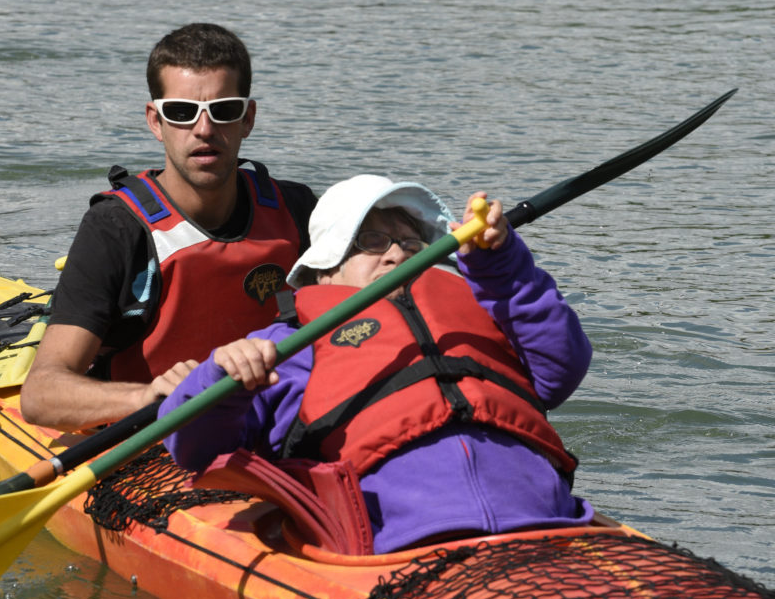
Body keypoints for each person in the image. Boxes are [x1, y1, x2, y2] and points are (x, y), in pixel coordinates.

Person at [158, 174, 596, 554]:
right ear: (322, 273)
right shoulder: (284, 347)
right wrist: (222, 376)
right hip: (402, 551)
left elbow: (562, 367)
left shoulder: (482, 316)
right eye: (371, 242)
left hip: (548, 529)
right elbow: (191, 446)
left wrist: (503, 267)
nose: (397, 255)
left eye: (410, 242)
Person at [21, 23, 317, 432]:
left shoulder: (297, 209)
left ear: (247, 119)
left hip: (271, 423)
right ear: (155, 121)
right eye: (181, 113)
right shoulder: (114, 229)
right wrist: (149, 398)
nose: (204, 129)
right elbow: (40, 395)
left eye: (223, 110)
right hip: (152, 432)